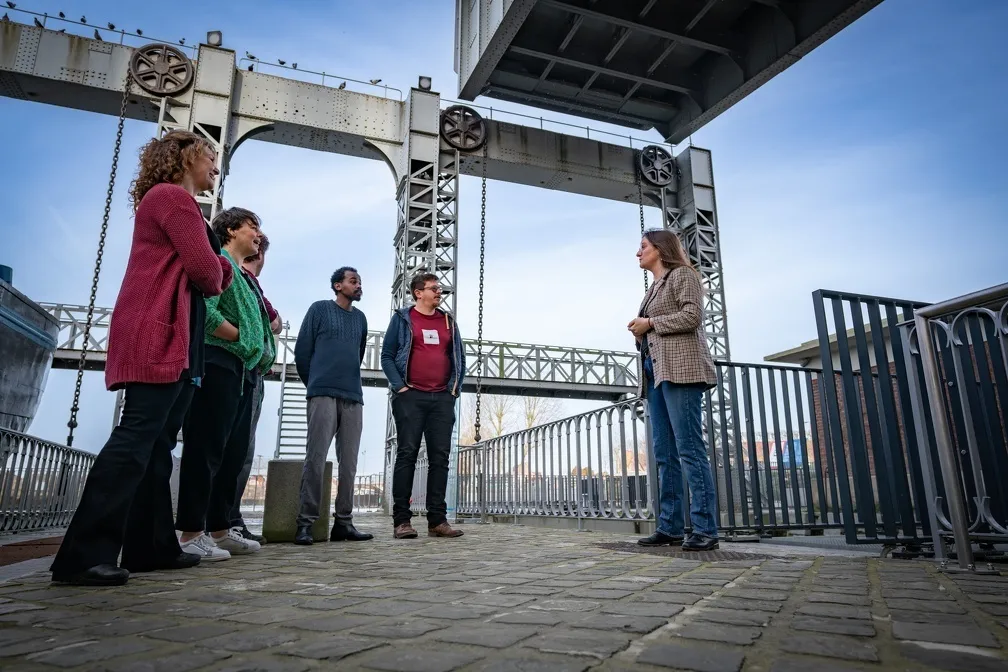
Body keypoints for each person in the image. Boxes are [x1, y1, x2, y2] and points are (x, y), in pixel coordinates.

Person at [50, 130, 233, 586]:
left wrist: (216, 261)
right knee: (137, 439)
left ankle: (151, 547)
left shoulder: (172, 201)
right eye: (210, 155)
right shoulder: (172, 197)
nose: (215, 164)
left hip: (177, 337)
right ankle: (81, 555)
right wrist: (224, 264)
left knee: (156, 447)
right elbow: (209, 275)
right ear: (186, 157)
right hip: (158, 333)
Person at [175, 207, 276, 561]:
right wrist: (243, 339)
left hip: (244, 370)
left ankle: (220, 530)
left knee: (232, 453)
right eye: (253, 227)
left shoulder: (245, 278)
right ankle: (190, 533)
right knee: (206, 449)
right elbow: (207, 312)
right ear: (231, 230)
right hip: (219, 363)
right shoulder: (218, 263)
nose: (258, 235)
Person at [629, 229, 719, 551]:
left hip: (682, 371)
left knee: (690, 450)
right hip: (656, 373)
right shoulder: (654, 288)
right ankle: (670, 527)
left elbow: (692, 316)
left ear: (659, 248)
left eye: (642, 247)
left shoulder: (683, 275)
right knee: (665, 454)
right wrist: (640, 332)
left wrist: (650, 324)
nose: (638, 253)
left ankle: (706, 529)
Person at [381, 272, 466, 540]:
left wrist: (453, 391)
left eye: (439, 289)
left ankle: (437, 521)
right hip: (411, 397)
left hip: (442, 398)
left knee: (440, 458)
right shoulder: (403, 319)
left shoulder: (448, 322)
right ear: (418, 293)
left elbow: (459, 356)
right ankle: (402, 521)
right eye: (434, 288)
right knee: (407, 454)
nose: (439, 293)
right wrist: (400, 388)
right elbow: (387, 356)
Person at [293, 267, 373, 545]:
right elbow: (302, 352)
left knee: (349, 464)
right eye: (353, 281)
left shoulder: (361, 319)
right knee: (315, 459)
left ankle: (344, 523)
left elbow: (357, 354)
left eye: (359, 281)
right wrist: (315, 384)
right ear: (338, 286)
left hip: (353, 395)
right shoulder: (319, 310)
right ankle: (305, 524)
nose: (358, 285)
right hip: (322, 393)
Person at [227, 234, 282, 545]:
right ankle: (227, 522)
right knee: (237, 450)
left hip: (248, 369)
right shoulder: (242, 278)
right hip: (242, 369)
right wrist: (250, 338)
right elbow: (273, 321)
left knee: (236, 450)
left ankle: (225, 520)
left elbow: (274, 321)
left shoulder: (249, 284)